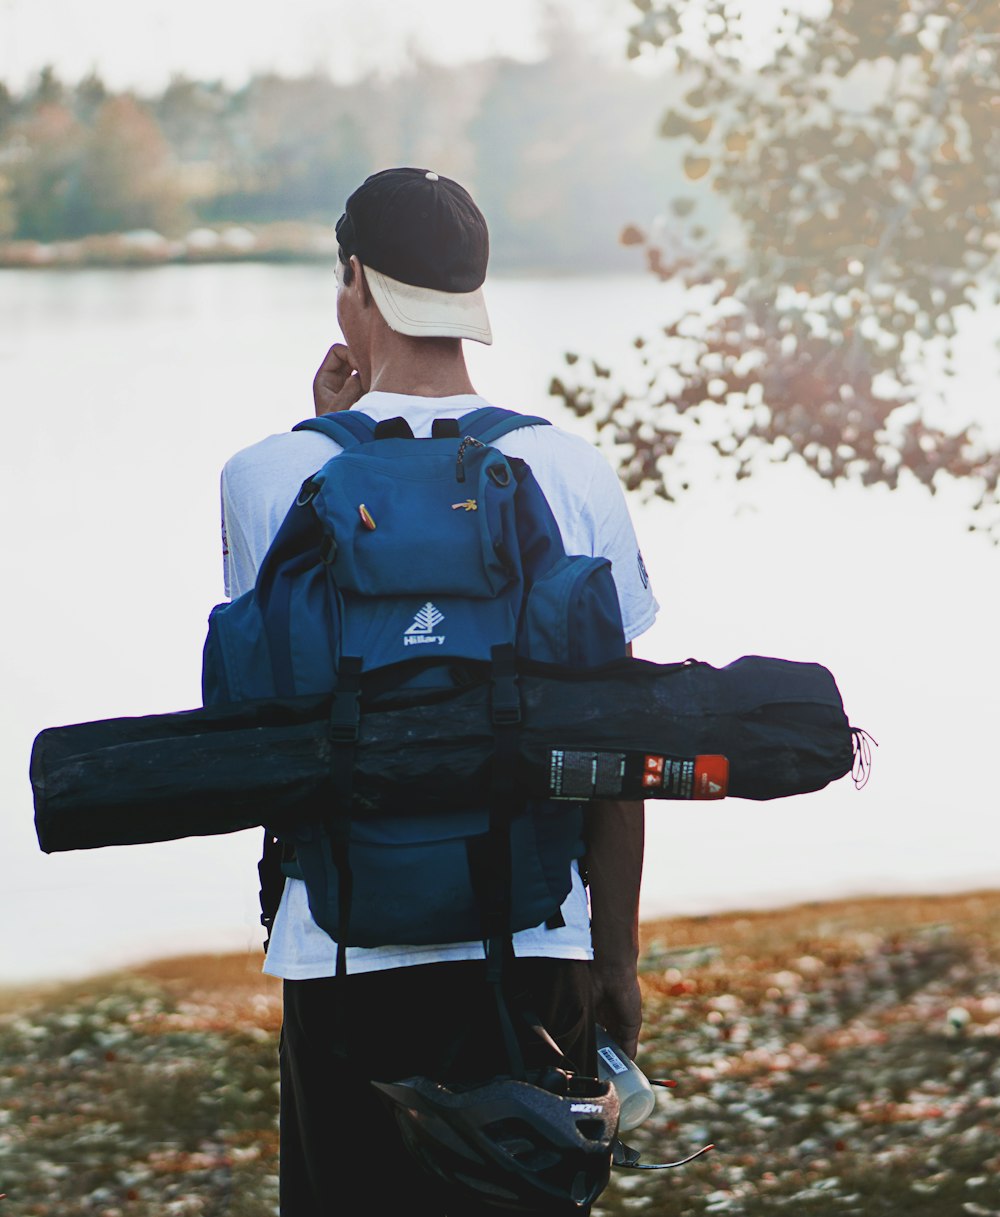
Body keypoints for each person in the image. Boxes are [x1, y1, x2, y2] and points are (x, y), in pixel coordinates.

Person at [219, 167, 659, 1215]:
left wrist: (320, 433)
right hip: (536, 938)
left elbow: (281, 703)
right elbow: (615, 743)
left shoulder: (266, 478)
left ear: (355, 282)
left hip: (339, 950)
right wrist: (618, 959)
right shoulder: (570, 468)